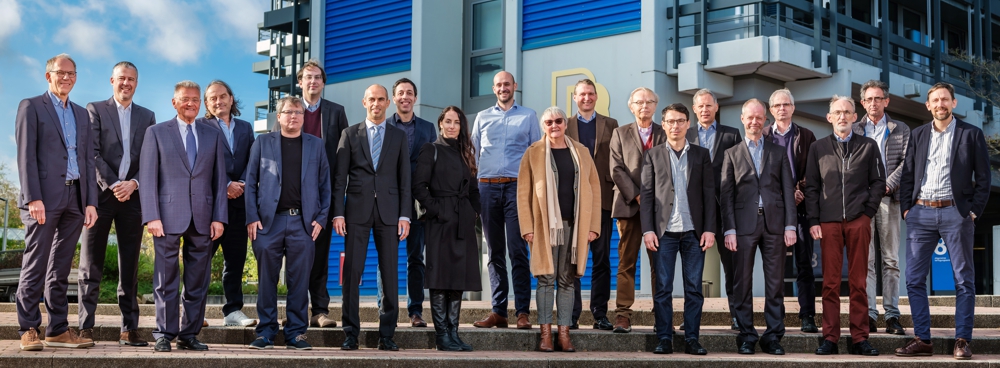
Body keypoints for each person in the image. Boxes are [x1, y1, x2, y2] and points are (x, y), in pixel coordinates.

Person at [895, 82, 991, 360]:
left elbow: (983, 178)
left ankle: (962, 341)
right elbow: (908, 174)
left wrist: (973, 211)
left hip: (955, 213)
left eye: (945, 100)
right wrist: (906, 209)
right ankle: (923, 339)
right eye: (935, 100)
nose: (940, 104)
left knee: (963, 279)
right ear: (928, 105)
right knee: (913, 279)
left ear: (954, 103)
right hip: (920, 213)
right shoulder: (918, 134)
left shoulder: (970, 134)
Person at [15, 53, 98, 351]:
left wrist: (90, 202)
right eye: (60, 72)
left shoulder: (80, 113)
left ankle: (58, 329)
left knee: (61, 268)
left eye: (71, 73)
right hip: (43, 199)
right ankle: (28, 328)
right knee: (35, 264)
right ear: (48, 75)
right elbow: (25, 156)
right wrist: (32, 197)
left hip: (75, 198)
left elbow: (87, 159)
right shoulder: (31, 106)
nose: (66, 78)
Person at [139, 80, 228, 352]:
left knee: (197, 281)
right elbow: (148, 175)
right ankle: (164, 334)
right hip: (165, 217)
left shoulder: (212, 134)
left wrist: (219, 217)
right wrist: (151, 216)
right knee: (165, 279)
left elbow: (219, 178)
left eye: (195, 99)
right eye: (185, 99)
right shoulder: (156, 132)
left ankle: (189, 334)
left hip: (203, 217)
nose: (191, 103)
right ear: (174, 102)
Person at [78, 61, 155, 347]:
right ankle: (85, 327)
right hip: (99, 199)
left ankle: (129, 328)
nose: (126, 83)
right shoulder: (95, 109)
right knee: (90, 264)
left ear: (137, 83)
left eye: (131, 79)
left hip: (133, 199)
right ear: (112, 80)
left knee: (130, 265)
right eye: (121, 78)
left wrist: (133, 183)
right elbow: (92, 152)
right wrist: (113, 184)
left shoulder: (148, 116)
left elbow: (150, 158)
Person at [244, 96, 331, 350]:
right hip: (267, 224)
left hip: (302, 224)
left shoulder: (316, 145)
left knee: (300, 281)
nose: (293, 116)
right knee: (267, 280)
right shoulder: (262, 142)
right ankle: (266, 332)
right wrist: (252, 217)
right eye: (288, 112)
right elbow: (250, 183)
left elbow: (326, 186)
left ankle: (295, 333)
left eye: (298, 112)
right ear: (279, 116)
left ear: (304, 118)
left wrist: (322, 218)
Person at [332, 84, 411, 352]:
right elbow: (339, 178)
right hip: (355, 212)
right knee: (352, 273)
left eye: (380, 99)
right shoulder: (349, 134)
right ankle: (350, 333)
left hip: (390, 214)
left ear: (388, 102)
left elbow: (405, 180)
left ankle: (387, 335)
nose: (376, 104)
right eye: (371, 99)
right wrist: (338, 213)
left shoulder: (399, 136)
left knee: (390, 275)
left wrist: (405, 215)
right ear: (363, 102)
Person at [805, 95, 884, 356]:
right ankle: (830, 338)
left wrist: (867, 213)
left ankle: (860, 338)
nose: (842, 116)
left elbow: (878, 183)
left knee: (859, 281)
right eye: (837, 112)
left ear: (854, 117)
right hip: (828, 223)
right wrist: (814, 220)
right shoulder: (818, 148)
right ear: (829, 117)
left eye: (847, 112)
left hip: (858, 221)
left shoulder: (869, 146)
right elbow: (813, 187)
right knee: (829, 283)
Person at [517, 106, 601, 353]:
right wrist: (527, 228)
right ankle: (545, 335)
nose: (554, 126)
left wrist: (593, 227)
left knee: (567, 280)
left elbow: (594, 189)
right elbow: (523, 193)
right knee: (546, 279)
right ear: (543, 126)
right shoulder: (533, 153)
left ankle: (563, 334)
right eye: (549, 122)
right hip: (544, 227)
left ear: (565, 123)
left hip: (574, 226)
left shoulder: (581, 152)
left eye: (558, 121)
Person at [720, 99, 796, 355]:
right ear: (742, 119)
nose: (754, 122)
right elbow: (726, 194)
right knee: (742, 282)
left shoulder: (777, 151)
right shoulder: (731, 154)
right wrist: (729, 229)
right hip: (742, 227)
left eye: (759, 118)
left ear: (766, 120)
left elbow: (788, 190)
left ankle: (773, 336)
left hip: (775, 225)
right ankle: (747, 336)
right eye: (750, 117)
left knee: (775, 284)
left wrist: (790, 226)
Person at [640, 103, 714, 355]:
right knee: (663, 289)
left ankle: (692, 339)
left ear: (688, 123)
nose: (675, 126)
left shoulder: (701, 155)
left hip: (694, 232)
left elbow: (708, 195)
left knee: (694, 289)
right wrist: (647, 230)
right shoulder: (652, 154)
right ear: (664, 124)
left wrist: (710, 229)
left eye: (680, 121)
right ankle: (664, 338)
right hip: (664, 233)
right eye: (670, 121)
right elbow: (647, 195)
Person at [470, 71, 540, 330]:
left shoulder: (529, 116)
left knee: (518, 250)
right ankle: (499, 311)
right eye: (499, 85)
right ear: (494, 88)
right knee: (494, 252)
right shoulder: (482, 117)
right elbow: (474, 154)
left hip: (516, 188)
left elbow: (536, 154)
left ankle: (522, 312)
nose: (503, 88)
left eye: (507, 84)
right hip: (487, 188)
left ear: (515, 87)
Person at [412, 106, 482, 351]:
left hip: (463, 220)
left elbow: (474, 189)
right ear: (440, 123)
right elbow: (419, 187)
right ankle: (442, 336)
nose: (452, 126)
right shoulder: (430, 149)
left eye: (457, 122)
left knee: (457, 278)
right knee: (441, 277)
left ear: (461, 126)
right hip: (440, 221)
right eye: (448, 121)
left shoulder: (466, 153)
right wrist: (438, 211)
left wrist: (474, 211)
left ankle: (454, 333)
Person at [377, 77, 436, 327]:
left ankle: (415, 311)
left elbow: (434, 164)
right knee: (386, 257)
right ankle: (385, 307)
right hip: (390, 199)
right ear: (393, 99)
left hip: (418, 202)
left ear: (415, 98)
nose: (405, 97)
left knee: (416, 258)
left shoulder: (428, 128)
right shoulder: (383, 126)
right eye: (400, 93)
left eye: (409, 93)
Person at [852, 80, 909, 336]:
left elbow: (907, 164)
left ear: (886, 101)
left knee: (891, 260)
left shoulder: (901, 129)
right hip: (863, 203)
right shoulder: (854, 129)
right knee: (866, 262)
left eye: (878, 98)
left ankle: (892, 315)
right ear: (862, 103)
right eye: (868, 99)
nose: (873, 103)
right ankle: (870, 315)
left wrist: (886, 186)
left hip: (889, 199)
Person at [761, 88, 818, 333]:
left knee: (805, 264)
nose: (782, 109)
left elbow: (814, 171)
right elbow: (760, 171)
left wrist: (797, 190)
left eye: (786, 105)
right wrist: (784, 195)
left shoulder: (806, 135)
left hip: (802, 207)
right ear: (770, 110)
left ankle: (807, 315)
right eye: (777, 106)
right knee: (775, 266)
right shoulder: (763, 136)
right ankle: (777, 315)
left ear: (793, 108)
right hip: (774, 209)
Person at [685, 88, 742, 331]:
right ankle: (690, 320)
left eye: (709, 105)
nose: (705, 110)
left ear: (716, 107)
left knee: (732, 267)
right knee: (692, 270)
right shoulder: (684, 135)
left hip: (724, 210)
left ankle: (738, 316)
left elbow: (741, 171)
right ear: (694, 109)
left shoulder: (732, 134)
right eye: (700, 106)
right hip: (693, 212)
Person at [609, 87, 666, 333]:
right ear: (631, 106)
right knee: (626, 262)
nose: (644, 106)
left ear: (656, 106)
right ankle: (623, 315)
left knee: (660, 264)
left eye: (649, 102)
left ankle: (661, 316)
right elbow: (616, 169)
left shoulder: (666, 133)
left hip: (661, 210)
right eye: (639, 102)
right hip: (629, 206)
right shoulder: (619, 133)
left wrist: (653, 198)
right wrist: (637, 195)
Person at [298, 59, 349, 329]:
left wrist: (338, 199)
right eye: (308, 77)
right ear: (300, 82)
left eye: (317, 77)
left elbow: (343, 158)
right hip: (292, 197)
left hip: (323, 196)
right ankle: (295, 311)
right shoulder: (288, 110)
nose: (313, 81)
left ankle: (319, 311)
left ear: (323, 82)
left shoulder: (336, 112)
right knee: (294, 255)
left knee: (320, 254)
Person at [202, 80, 257, 327]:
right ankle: (193, 310)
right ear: (206, 103)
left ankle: (232, 311)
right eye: (212, 98)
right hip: (211, 205)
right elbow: (200, 162)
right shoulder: (200, 126)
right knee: (200, 260)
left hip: (239, 205)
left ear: (231, 99)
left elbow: (253, 159)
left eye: (222, 96)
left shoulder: (245, 128)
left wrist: (242, 182)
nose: (218, 101)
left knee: (235, 260)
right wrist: (225, 184)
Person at [564, 79, 617, 330]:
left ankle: (599, 313)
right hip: (573, 201)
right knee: (572, 259)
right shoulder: (565, 126)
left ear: (597, 96)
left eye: (591, 94)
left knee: (602, 259)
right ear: (575, 97)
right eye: (582, 94)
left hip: (603, 200)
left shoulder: (611, 124)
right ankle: (572, 314)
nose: (587, 98)